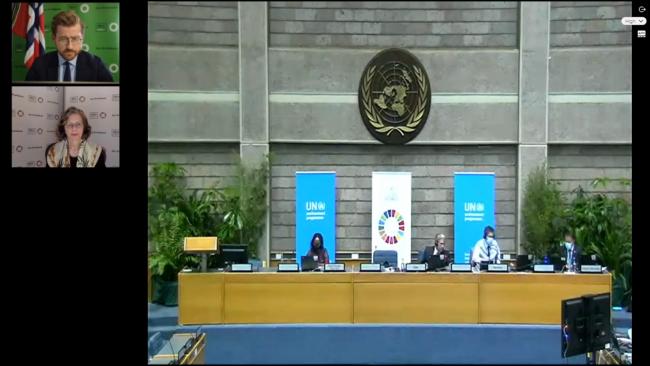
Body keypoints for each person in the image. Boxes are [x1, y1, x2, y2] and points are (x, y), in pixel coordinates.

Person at [25, 10, 114, 82]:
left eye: (75, 39)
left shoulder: (97, 65)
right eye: (63, 39)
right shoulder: (39, 65)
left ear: (82, 38)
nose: (69, 47)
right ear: (54, 38)